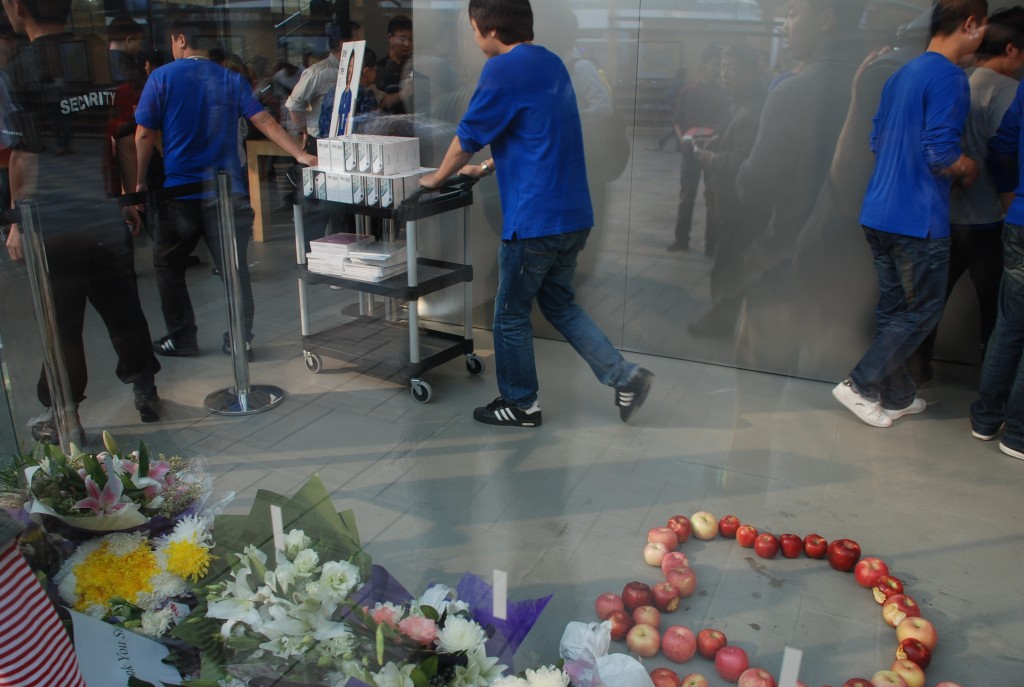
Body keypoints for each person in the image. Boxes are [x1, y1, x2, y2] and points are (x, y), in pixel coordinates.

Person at [419, 0, 654, 427]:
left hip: (535, 220)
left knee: (509, 314)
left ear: (488, 30)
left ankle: (521, 403)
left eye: (473, 29)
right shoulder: (552, 63)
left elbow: (467, 134)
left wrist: (436, 179)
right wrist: (489, 167)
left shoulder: (501, 68)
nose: (472, 39)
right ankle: (626, 377)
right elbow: (538, 133)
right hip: (573, 214)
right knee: (560, 304)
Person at [2, 0, 161, 442]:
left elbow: (23, 157)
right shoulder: (98, 59)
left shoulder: (19, 70)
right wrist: (129, 199)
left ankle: (66, 417)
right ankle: (145, 388)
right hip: (103, 209)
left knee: (63, 326)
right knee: (123, 308)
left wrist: (17, 220)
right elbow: (125, 137)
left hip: (53, 218)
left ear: (18, 7)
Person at [833, 0, 987, 428]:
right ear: (970, 24)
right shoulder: (951, 78)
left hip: (879, 211)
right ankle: (860, 384)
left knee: (894, 310)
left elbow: (876, 138)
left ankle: (897, 395)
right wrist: (969, 166)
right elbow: (941, 153)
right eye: (983, 29)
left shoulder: (900, 73)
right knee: (920, 313)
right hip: (918, 220)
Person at [135, 11, 317, 360]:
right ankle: (239, 340)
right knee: (234, 269)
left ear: (180, 40)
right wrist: (300, 154)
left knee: (168, 266)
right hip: (226, 193)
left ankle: (182, 337)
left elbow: (144, 133)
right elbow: (262, 118)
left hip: (180, 194)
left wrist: (140, 180)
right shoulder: (229, 79)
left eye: (171, 41)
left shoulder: (160, 78)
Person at [909, 7, 1024, 384]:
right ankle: (992, 385)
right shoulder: (1010, 91)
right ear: (1011, 50)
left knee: (930, 302)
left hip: (945, 216)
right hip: (989, 220)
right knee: (996, 312)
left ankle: (915, 370)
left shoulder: (956, 80)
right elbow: (1004, 156)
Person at [970, 13, 1024, 459]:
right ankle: (1019, 434)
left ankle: (986, 419)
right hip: (1007, 217)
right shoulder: (1009, 86)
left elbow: (1004, 147)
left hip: (1018, 219)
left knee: (1009, 322)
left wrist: (1014, 198)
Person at [689, 42, 768, 337]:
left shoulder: (755, 105)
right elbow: (736, 141)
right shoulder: (742, 101)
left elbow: (746, 158)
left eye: (732, 68)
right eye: (723, 67)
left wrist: (713, 158)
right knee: (728, 260)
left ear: (750, 70)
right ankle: (725, 317)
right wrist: (718, 142)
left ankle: (721, 321)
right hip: (732, 201)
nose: (725, 74)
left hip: (739, 203)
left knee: (728, 262)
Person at [668, 44, 728, 253]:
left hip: (712, 151)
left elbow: (725, 123)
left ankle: (711, 243)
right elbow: (678, 121)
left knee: (712, 198)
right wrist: (684, 140)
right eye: (714, 65)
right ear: (703, 66)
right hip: (690, 150)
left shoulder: (722, 93)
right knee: (687, 196)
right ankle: (681, 239)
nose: (718, 70)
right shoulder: (688, 91)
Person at [375, 15, 415, 115]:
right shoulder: (378, 68)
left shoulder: (416, 66)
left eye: (410, 39)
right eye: (402, 39)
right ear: (390, 37)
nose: (407, 44)